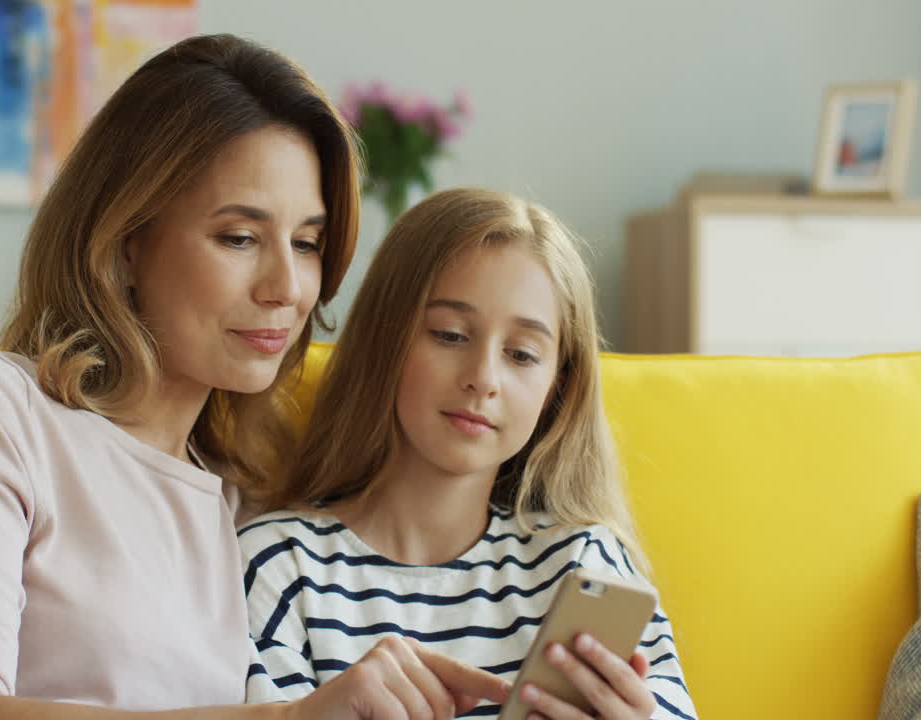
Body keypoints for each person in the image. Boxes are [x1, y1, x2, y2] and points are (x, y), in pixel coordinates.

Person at [0, 35, 511, 720]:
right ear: (126, 240)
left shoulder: (253, 499)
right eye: (239, 237)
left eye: (308, 244)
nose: (287, 287)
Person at [239, 189, 698, 719]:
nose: (483, 378)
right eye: (450, 335)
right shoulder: (280, 566)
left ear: (557, 387)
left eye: (522, 355)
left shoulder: (584, 564)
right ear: (385, 338)